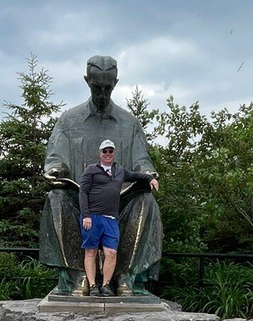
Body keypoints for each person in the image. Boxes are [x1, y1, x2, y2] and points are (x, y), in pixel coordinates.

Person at [40, 55, 163, 296]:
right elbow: (55, 158)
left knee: (146, 201)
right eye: (97, 86)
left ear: (115, 83)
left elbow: (141, 161)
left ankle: (124, 276)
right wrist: (57, 170)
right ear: (87, 81)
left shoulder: (129, 123)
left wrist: (147, 173)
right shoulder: (68, 121)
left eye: (108, 87)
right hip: (81, 201)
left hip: (120, 202)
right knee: (56, 199)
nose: (102, 92)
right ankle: (79, 277)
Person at [79, 140, 160, 296]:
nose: (108, 154)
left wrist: (150, 179)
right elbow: (83, 193)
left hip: (110, 218)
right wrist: (86, 215)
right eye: (105, 151)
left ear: (114, 153)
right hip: (93, 217)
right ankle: (93, 284)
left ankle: (106, 284)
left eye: (110, 151)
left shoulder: (119, 171)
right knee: (91, 252)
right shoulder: (91, 170)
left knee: (111, 253)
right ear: (100, 153)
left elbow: (137, 175)